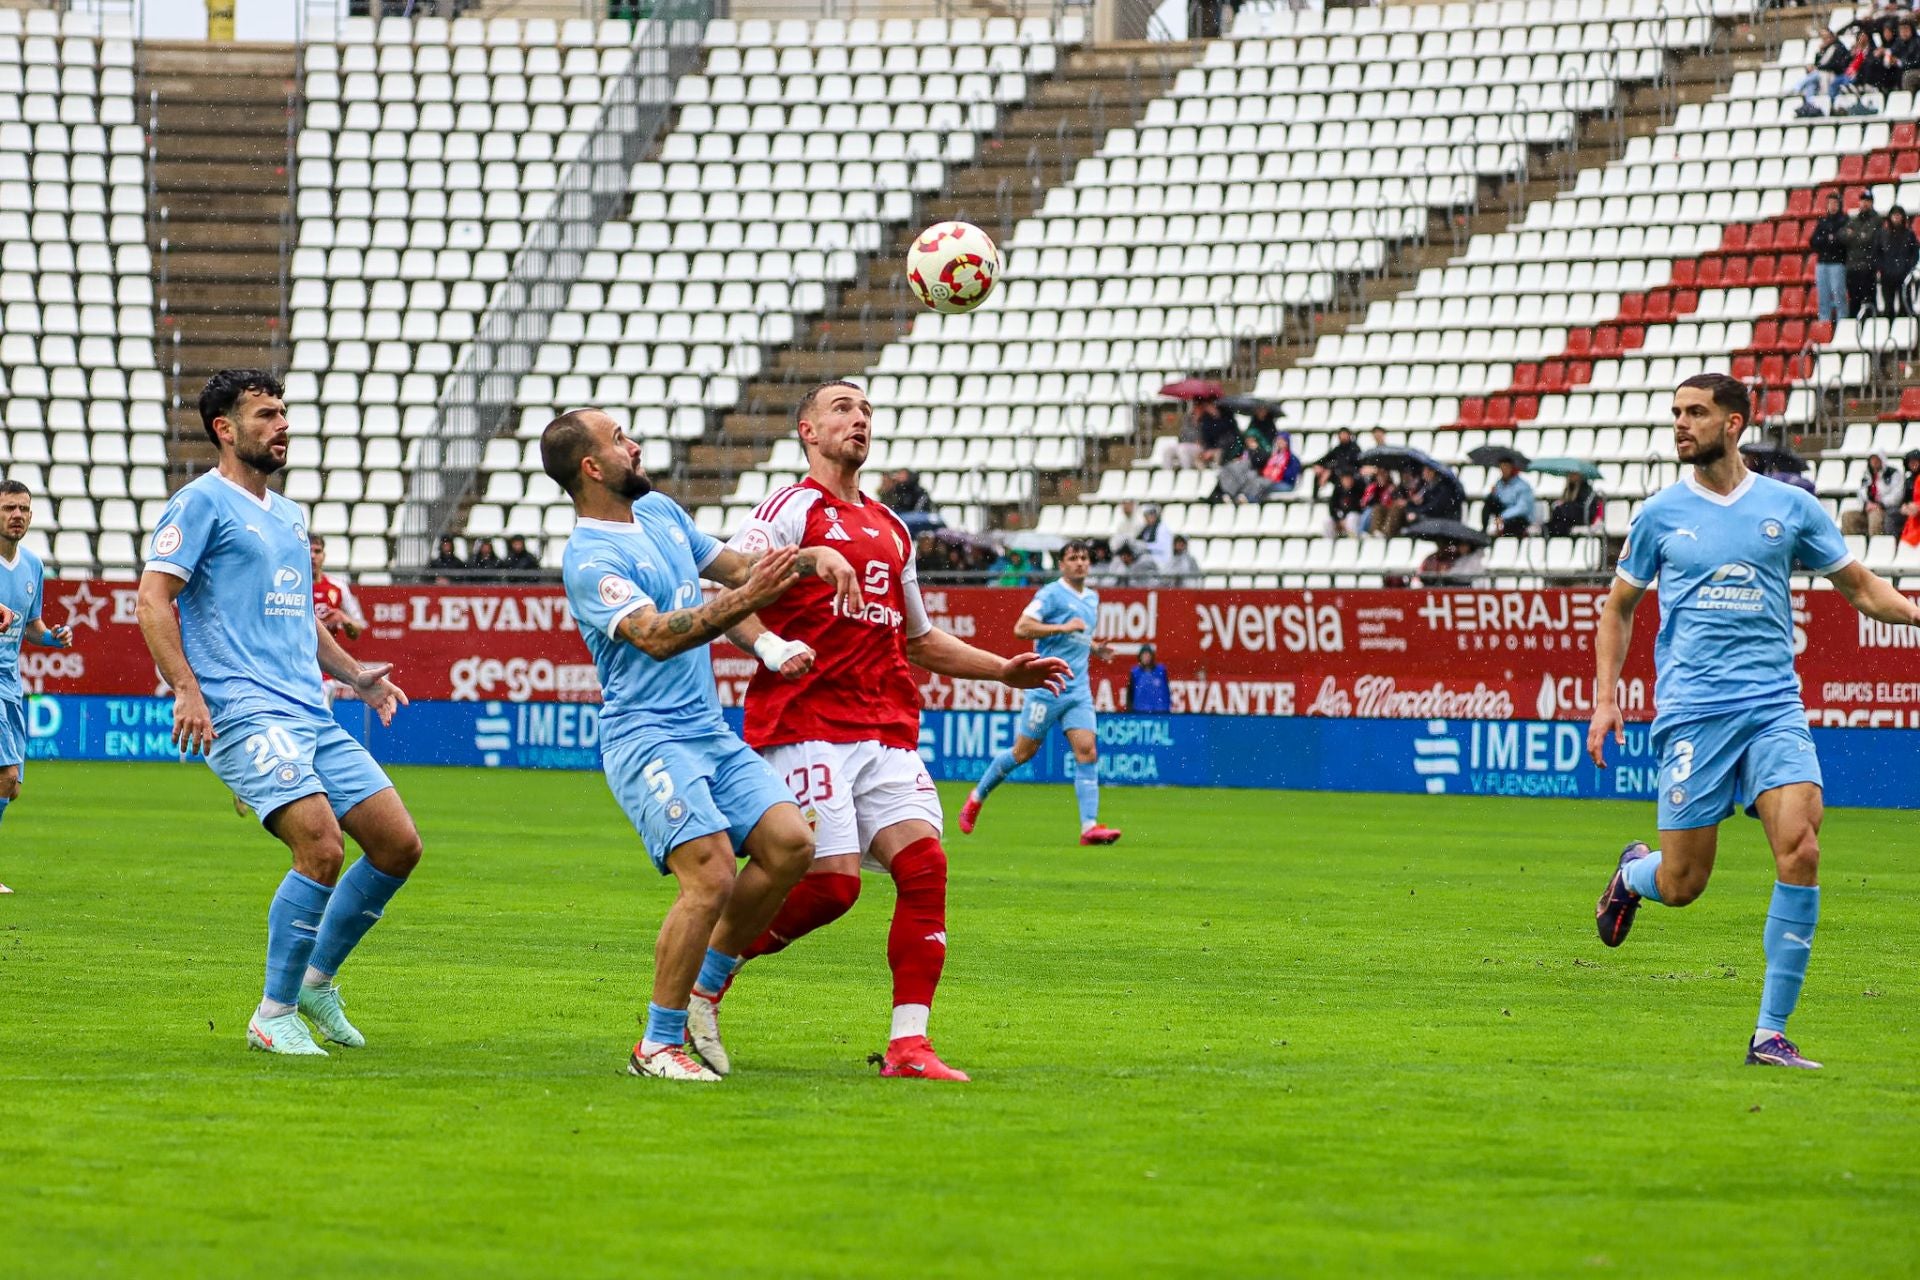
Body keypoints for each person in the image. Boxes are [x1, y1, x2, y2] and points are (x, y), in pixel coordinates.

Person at [701, 379, 1070, 1082]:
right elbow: (729, 593)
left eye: (866, 410)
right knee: (832, 888)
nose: (858, 419)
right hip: (804, 723)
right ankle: (709, 970)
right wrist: (773, 648)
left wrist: (1003, 670)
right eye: (842, 408)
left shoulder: (893, 529)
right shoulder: (790, 508)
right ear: (808, 431)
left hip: (884, 728)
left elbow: (921, 640)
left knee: (925, 867)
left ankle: (909, 1045)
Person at [1590, 373, 1920, 1070]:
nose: (1681, 423)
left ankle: (1770, 1032)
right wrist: (1606, 699)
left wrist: (1916, 613)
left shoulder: (1789, 507)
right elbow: (1617, 608)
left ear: (1734, 423)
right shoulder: (1658, 515)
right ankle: (1634, 877)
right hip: (1693, 715)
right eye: (1676, 412)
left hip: (1773, 707)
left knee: (1801, 848)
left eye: (1696, 412)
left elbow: (1860, 587)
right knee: (1683, 884)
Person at [542, 407, 845, 1082]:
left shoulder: (662, 515)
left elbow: (736, 571)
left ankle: (705, 990)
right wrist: (753, 606)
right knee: (709, 877)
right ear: (592, 467)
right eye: (620, 440)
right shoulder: (591, 558)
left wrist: (805, 567)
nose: (636, 445)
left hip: (706, 730)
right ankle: (657, 1044)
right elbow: (657, 633)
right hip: (646, 738)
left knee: (792, 844)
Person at [136, 370, 421, 1058]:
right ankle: (274, 1011)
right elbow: (152, 599)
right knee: (322, 848)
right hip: (243, 709)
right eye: (267, 415)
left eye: (284, 413)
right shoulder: (199, 503)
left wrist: (357, 677)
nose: (282, 425)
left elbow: (298, 618)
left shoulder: (291, 515)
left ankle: (318, 980)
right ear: (225, 430)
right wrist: (185, 688)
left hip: (309, 711)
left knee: (397, 845)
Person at [960, 539, 1123, 847]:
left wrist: (1095, 648)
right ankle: (977, 796)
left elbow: (1078, 633)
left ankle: (1089, 827)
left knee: (1087, 751)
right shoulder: (1050, 594)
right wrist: (1061, 629)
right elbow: (1022, 628)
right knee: (1023, 753)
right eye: (1073, 558)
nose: (1080, 563)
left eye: (1084, 558)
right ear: (1061, 564)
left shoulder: (1092, 597)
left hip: (1077, 689)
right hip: (1047, 686)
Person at [0, 480, 74, 894]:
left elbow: (32, 626)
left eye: (24, 509)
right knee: (6, 776)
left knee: (12, 787)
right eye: (9, 508)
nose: (18, 516)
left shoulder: (31, 566)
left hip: (11, 684)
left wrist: (52, 637)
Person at [309, 533, 366, 642]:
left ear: (324, 556)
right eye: (309, 551)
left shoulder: (338, 587)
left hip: (325, 655)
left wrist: (342, 618)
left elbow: (357, 631)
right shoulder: (293, 587)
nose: (312, 556)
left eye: (317, 551)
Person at [1792, 27, 1853, 116]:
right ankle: (1810, 104)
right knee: (1811, 84)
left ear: (1832, 37)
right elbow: (1818, 63)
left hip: (1834, 75)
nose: (1825, 40)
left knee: (1816, 74)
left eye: (1827, 37)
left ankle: (1796, 87)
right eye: (1823, 37)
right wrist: (1819, 53)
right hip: (1823, 75)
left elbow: (1834, 65)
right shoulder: (1824, 49)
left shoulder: (1838, 47)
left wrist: (1817, 67)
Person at [1810, 193, 1849, 324]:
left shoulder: (1844, 220)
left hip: (1837, 263)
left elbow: (1841, 241)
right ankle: (1824, 326)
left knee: (1839, 296)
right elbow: (1813, 241)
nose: (1832, 206)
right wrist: (1828, 239)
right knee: (1823, 298)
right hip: (1822, 263)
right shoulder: (1822, 221)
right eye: (1830, 203)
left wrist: (1827, 240)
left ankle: (1842, 324)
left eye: (1835, 203)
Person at [1844, 190, 1883, 317]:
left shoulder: (1876, 220)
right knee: (1854, 301)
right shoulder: (1855, 219)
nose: (1864, 204)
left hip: (1867, 267)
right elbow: (1843, 235)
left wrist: (1854, 235)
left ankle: (1870, 329)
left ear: (1871, 203)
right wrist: (1860, 235)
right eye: (1862, 200)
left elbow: (1869, 239)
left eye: (1867, 201)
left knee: (1869, 301)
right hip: (1853, 267)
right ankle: (1855, 331)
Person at [1876, 205, 1918, 317]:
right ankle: (1888, 328)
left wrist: (1908, 267)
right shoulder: (1883, 234)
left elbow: (1914, 253)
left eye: (1898, 215)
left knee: (1905, 305)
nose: (1896, 218)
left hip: (1903, 275)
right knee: (1888, 307)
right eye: (1894, 215)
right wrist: (1882, 267)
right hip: (1887, 275)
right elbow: (1877, 253)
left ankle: (1904, 328)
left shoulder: (1909, 234)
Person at [1482, 459, 1535, 538]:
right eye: (1502, 468)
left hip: (1519, 517)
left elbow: (1522, 508)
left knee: (1514, 523)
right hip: (1504, 513)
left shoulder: (1522, 486)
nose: (1503, 470)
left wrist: (1503, 516)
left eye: (1506, 467)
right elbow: (1498, 501)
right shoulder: (1499, 483)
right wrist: (1493, 494)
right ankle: (1484, 530)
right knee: (1490, 500)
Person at [1544, 472, 1603, 537]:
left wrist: (1565, 506)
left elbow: (1584, 508)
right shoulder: (1570, 487)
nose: (1571, 476)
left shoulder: (1586, 489)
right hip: (1570, 517)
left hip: (1581, 518)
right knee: (1557, 518)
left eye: (1573, 474)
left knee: (1560, 517)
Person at [1310, 427, 1361, 494]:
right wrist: (1318, 465)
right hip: (1338, 473)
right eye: (1341, 435)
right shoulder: (1338, 449)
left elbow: (1347, 463)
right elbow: (1325, 459)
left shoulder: (1355, 448)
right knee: (1319, 472)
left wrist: (1329, 469)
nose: (1343, 437)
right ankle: (1315, 497)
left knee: (1339, 477)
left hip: (1350, 474)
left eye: (1344, 434)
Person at [1128, 642, 1170, 713]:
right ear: (1140, 657)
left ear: (1152, 656)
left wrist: (1166, 708)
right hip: (1140, 712)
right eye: (1144, 655)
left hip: (1160, 712)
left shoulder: (1161, 671)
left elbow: (1167, 691)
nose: (1146, 658)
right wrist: (1130, 710)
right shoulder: (1135, 672)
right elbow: (1130, 694)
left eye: (1148, 655)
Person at [1325, 468, 1365, 537]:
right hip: (1340, 519)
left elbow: (1358, 507)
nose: (1347, 481)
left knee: (1352, 517)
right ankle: (1329, 543)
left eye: (1349, 478)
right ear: (1341, 480)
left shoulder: (1358, 489)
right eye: (1345, 479)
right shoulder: (1338, 490)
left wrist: (1344, 519)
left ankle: (1352, 540)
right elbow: (1332, 507)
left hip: (1355, 517)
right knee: (1327, 521)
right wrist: (1338, 519)